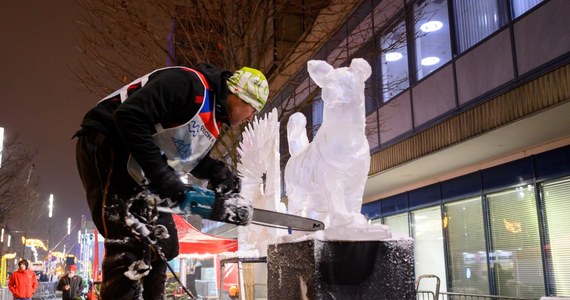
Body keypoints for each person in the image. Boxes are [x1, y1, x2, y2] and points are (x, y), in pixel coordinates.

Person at [75, 64, 268, 299]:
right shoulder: (188, 85)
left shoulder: (213, 120)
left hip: (139, 163)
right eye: (253, 109)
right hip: (108, 145)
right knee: (129, 242)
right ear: (239, 94)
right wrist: (164, 177)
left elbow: (182, 153)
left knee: (164, 242)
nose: (251, 117)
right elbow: (128, 116)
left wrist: (216, 170)